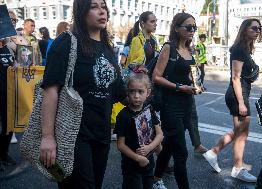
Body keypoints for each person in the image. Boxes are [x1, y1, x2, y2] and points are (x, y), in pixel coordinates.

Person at [39, 0, 126, 188]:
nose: (102, 11)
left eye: (104, 6)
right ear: (82, 12)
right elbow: (51, 90)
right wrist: (47, 137)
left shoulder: (108, 48)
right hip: (73, 136)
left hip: (102, 134)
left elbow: (118, 91)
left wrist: (143, 87)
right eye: (94, 7)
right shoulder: (67, 42)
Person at [202, 18, 262, 182]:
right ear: (245, 30)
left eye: (259, 29)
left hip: (241, 93)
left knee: (240, 131)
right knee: (242, 134)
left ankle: (213, 152)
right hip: (238, 94)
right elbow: (236, 78)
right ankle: (237, 169)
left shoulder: (245, 49)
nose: (257, 31)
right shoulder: (239, 49)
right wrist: (242, 102)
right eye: (254, 28)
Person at [152, 12, 198, 189]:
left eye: (194, 27)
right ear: (177, 28)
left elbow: (189, 74)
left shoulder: (189, 49)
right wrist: (179, 87)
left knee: (170, 144)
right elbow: (156, 76)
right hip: (170, 105)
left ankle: (156, 179)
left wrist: (196, 84)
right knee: (181, 152)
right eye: (188, 27)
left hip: (186, 103)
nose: (192, 30)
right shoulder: (168, 48)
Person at [114, 72, 163, 189]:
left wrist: (150, 148)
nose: (136, 96)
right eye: (132, 91)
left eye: (140, 92)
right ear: (127, 92)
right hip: (131, 165)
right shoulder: (123, 115)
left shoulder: (149, 110)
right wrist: (138, 158)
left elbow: (160, 134)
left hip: (148, 161)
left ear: (148, 93)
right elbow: (120, 145)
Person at [0, 10, 19, 171]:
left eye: (15, 20)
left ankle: (3, 153)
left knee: (9, 125)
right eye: (10, 19)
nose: (12, 22)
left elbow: (14, 65)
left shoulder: (7, 47)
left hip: (9, 93)